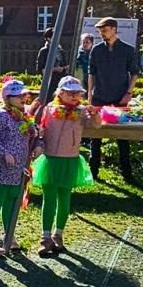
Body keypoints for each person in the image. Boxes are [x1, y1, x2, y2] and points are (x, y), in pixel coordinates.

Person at [35, 76, 93, 256]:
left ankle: (58, 234)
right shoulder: (50, 109)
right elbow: (41, 130)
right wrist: (39, 145)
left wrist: (95, 114)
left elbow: (96, 125)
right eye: (70, 93)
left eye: (78, 93)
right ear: (60, 93)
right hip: (51, 160)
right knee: (49, 198)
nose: (75, 96)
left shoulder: (81, 111)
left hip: (70, 160)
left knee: (65, 199)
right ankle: (45, 237)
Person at [0, 78, 36, 257]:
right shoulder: (1, 115)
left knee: (11, 202)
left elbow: (32, 134)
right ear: (7, 98)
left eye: (24, 95)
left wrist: (38, 144)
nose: (23, 98)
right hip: (1, 168)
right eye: (18, 96)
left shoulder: (24, 115)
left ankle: (9, 235)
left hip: (18, 170)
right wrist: (4, 153)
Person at [86, 17, 142, 182]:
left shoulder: (128, 50)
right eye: (100, 31)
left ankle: (127, 173)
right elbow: (91, 73)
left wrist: (129, 93)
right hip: (99, 96)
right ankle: (93, 171)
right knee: (95, 137)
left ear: (114, 29)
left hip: (119, 97)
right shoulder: (96, 50)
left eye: (104, 30)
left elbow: (134, 73)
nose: (102, 34)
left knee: (122, 137)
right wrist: (90, 96)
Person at [35, 27, 68, 92]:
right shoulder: (44, 51)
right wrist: (55, 69)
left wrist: (65, 68)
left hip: (60, 81)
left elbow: (64, 65)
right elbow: (40, 69)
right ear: (48, 38)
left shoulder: (61, 51)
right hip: (49, 82)